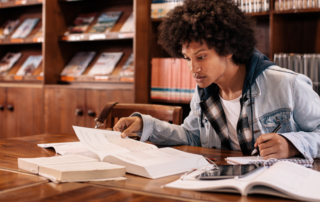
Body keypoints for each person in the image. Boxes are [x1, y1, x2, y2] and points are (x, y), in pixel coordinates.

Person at [114, 0, 320, 160]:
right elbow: (192, 136)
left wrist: (292, 145)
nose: (193, 68)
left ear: (228, 48)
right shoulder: (204, 91)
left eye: (201, 57)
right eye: (187, 58)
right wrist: (145, 125)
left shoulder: (287, 85)